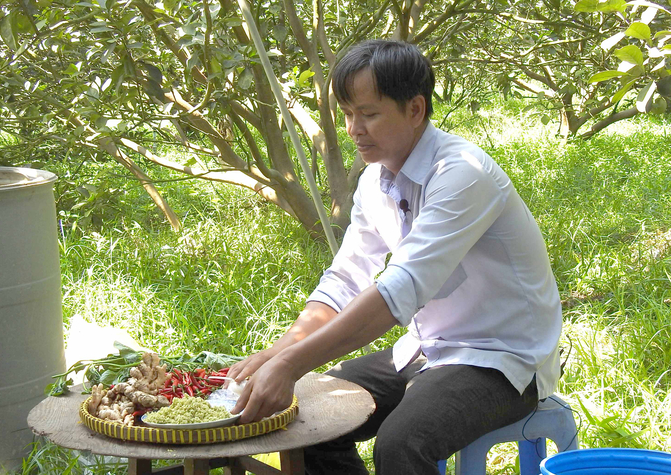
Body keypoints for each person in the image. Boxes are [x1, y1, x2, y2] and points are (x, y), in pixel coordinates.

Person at [227, 40, 563, 475]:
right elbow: (346, 277)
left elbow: (399, 289)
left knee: (403, 442)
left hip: (502, 359)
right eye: (348, 114)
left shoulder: (462, 174)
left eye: (368, 113)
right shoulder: (374, 180)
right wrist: (280, 352)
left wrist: (291, 363)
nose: (353, 129)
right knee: (305, 415)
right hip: (426, 349)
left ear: (415, 109)